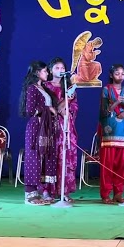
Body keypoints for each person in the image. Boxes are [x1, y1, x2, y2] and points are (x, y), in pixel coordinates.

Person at [19, 60, 58, 205]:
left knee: (45, 157)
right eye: (45, 71)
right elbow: (30, 110)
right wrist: (49, 110)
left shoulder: (45, 89)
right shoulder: (32, 88)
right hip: (36, 126)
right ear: (37, 73)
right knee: (34, 157)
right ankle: (30, 194)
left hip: (47, 127)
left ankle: (41, 191)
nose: (47, 73)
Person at [44, 57, 78, 203]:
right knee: (49, 156)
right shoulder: (45, 86)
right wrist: (59, 108)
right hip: (50, 125)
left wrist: (68, 110)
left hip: (65, 125)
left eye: (62, 68)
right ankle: (47, 191)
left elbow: (75, 106)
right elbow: (44, 105)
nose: (60, 70)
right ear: (50, 70)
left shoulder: (69, 88)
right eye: (57, 68)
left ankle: (64, 191)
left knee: (65, 156)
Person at [99, 64, 124, 204]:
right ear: (112, 75)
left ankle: (118, 194)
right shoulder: (106, 89)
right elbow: (105, 111)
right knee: (108, 165)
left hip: (123, 132)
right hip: (109, 132)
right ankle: (105, 194)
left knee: (121, 165)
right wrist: (118, 101)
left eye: (122, 73)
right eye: (117, 73)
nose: (120, 76)